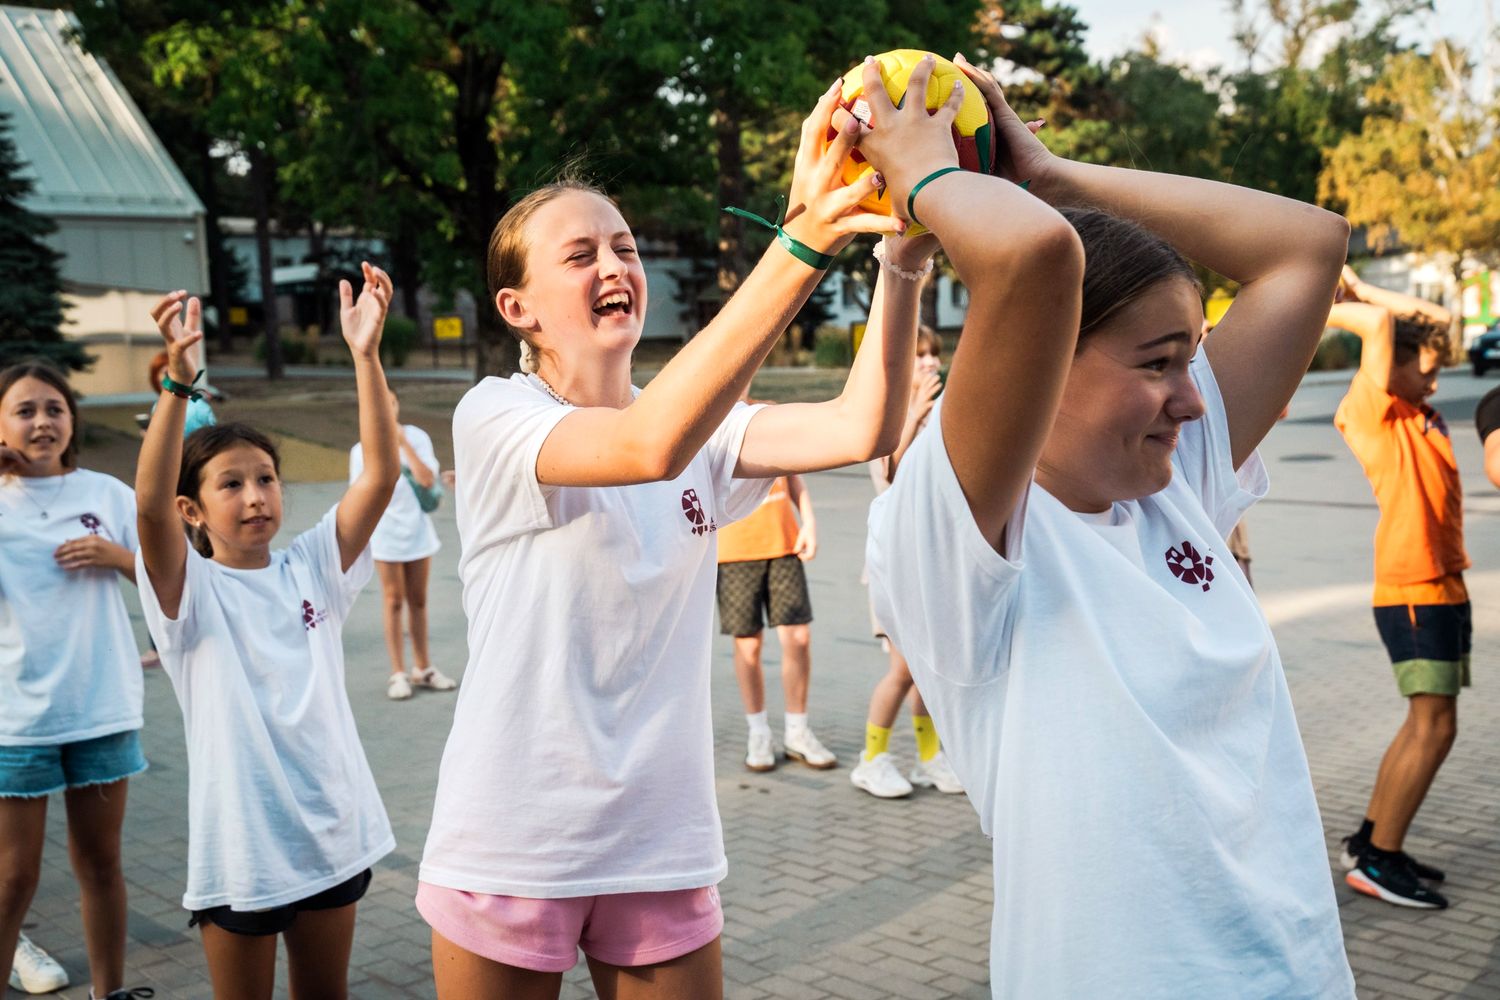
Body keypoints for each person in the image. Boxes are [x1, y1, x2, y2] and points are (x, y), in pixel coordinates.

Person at [418, 75, 936, 1000]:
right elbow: (643, 449)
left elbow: (865, 425)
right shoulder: (495, 417)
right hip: (515, 837)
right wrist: (804, 236)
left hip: (659, 839)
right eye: (580, 254)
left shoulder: (705, 433)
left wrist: (901, 262)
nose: (614, 264)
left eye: (624, 246)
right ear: (517, 308)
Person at [862, 54, 1356, 997]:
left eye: (1192, 358)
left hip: (1298, 973)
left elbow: (1309, 248)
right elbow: (1033, 260)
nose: (1193, 400)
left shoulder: (1174, 485)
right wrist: (924, 177)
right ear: (1047, 361)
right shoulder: (964, 537)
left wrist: (1053, 176)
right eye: (1159, 362)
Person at [134, 266, 399, 1000]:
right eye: (231, 483)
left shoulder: (312, 567)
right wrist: (177, 385)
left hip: (331, 833)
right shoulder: (188, 589)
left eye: (266, 478)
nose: (255, 496)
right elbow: (148, 507)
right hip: (243, 849)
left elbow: (379, 477)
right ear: (193, 510)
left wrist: (366, 356)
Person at [0, 361, 152, 1000]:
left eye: (54, 408)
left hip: (102, 706)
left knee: (101, 864)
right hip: (16, 717)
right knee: (13, 877)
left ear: (72, 419)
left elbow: (170, 575)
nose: (42, 422)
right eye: (25, 410)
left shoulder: (106, 493)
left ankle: (109, 992)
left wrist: (117, 556)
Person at [1328, 267, 1462, 909]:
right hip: (1414, 588)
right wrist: (1329, 299)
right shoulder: (1374, 411)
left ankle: (1371, 842)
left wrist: (1365, 291)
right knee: (1434, 728)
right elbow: (1382, 327)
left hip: (1440, 584)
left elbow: (1437, 322)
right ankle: (1378, 860)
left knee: (1427, 725)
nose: (1436, 383)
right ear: (1392, 367)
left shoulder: (1417, 411)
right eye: (1426, 372)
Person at [851, 327, 963, 798]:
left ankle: (929, 757)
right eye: (920, 356)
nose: (930, 362)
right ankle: (871, 759)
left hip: (933, 561)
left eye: (933, 354)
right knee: (903, 671)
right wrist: (914, 414)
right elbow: (890, 474)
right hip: (894, 565)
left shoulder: (941, 411)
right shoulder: (888, 413)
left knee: (929, 671)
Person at [715, 462, 833, 771]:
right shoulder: (713, 431)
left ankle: (797, 731)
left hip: (783, 541)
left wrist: (808, 521)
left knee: (798, 638)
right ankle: (758, 732)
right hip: (734, 549)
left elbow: (792, 471)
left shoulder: (771, 424)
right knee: (748, 646)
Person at [349, 385, 458, 699]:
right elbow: (360, 496)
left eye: (392, 403)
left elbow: (426, 479)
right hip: (385, 535)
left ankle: (423, 667)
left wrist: (403, 443)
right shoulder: (361, 449)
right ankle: (398, 673)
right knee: (393, 600)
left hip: (417, 531)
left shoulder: (417, 437)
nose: (387, 410)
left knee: (419, 600)